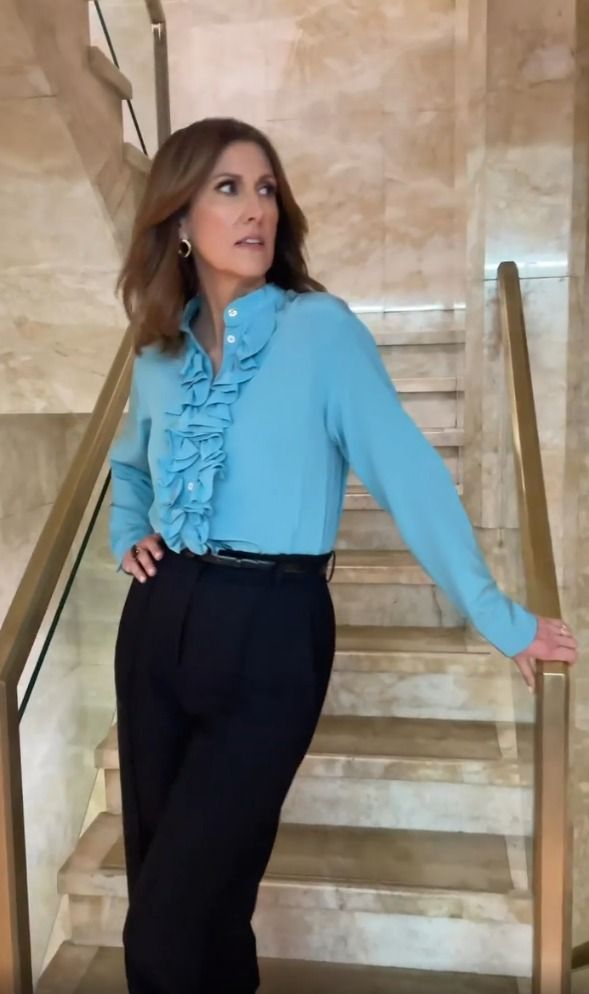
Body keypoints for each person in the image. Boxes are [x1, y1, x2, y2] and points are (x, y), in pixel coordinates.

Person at [109, 117, 578, 994]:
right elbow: (128, 464)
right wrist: (128, 526)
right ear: (178, 220)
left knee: (165, 926)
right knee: (201, 905)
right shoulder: (159, 355)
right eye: (227, 188)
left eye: (265, 189)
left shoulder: (320, 332)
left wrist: (496, 616)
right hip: (158, 619)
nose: (256, 208)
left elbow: (410, 477)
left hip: (272, 630)